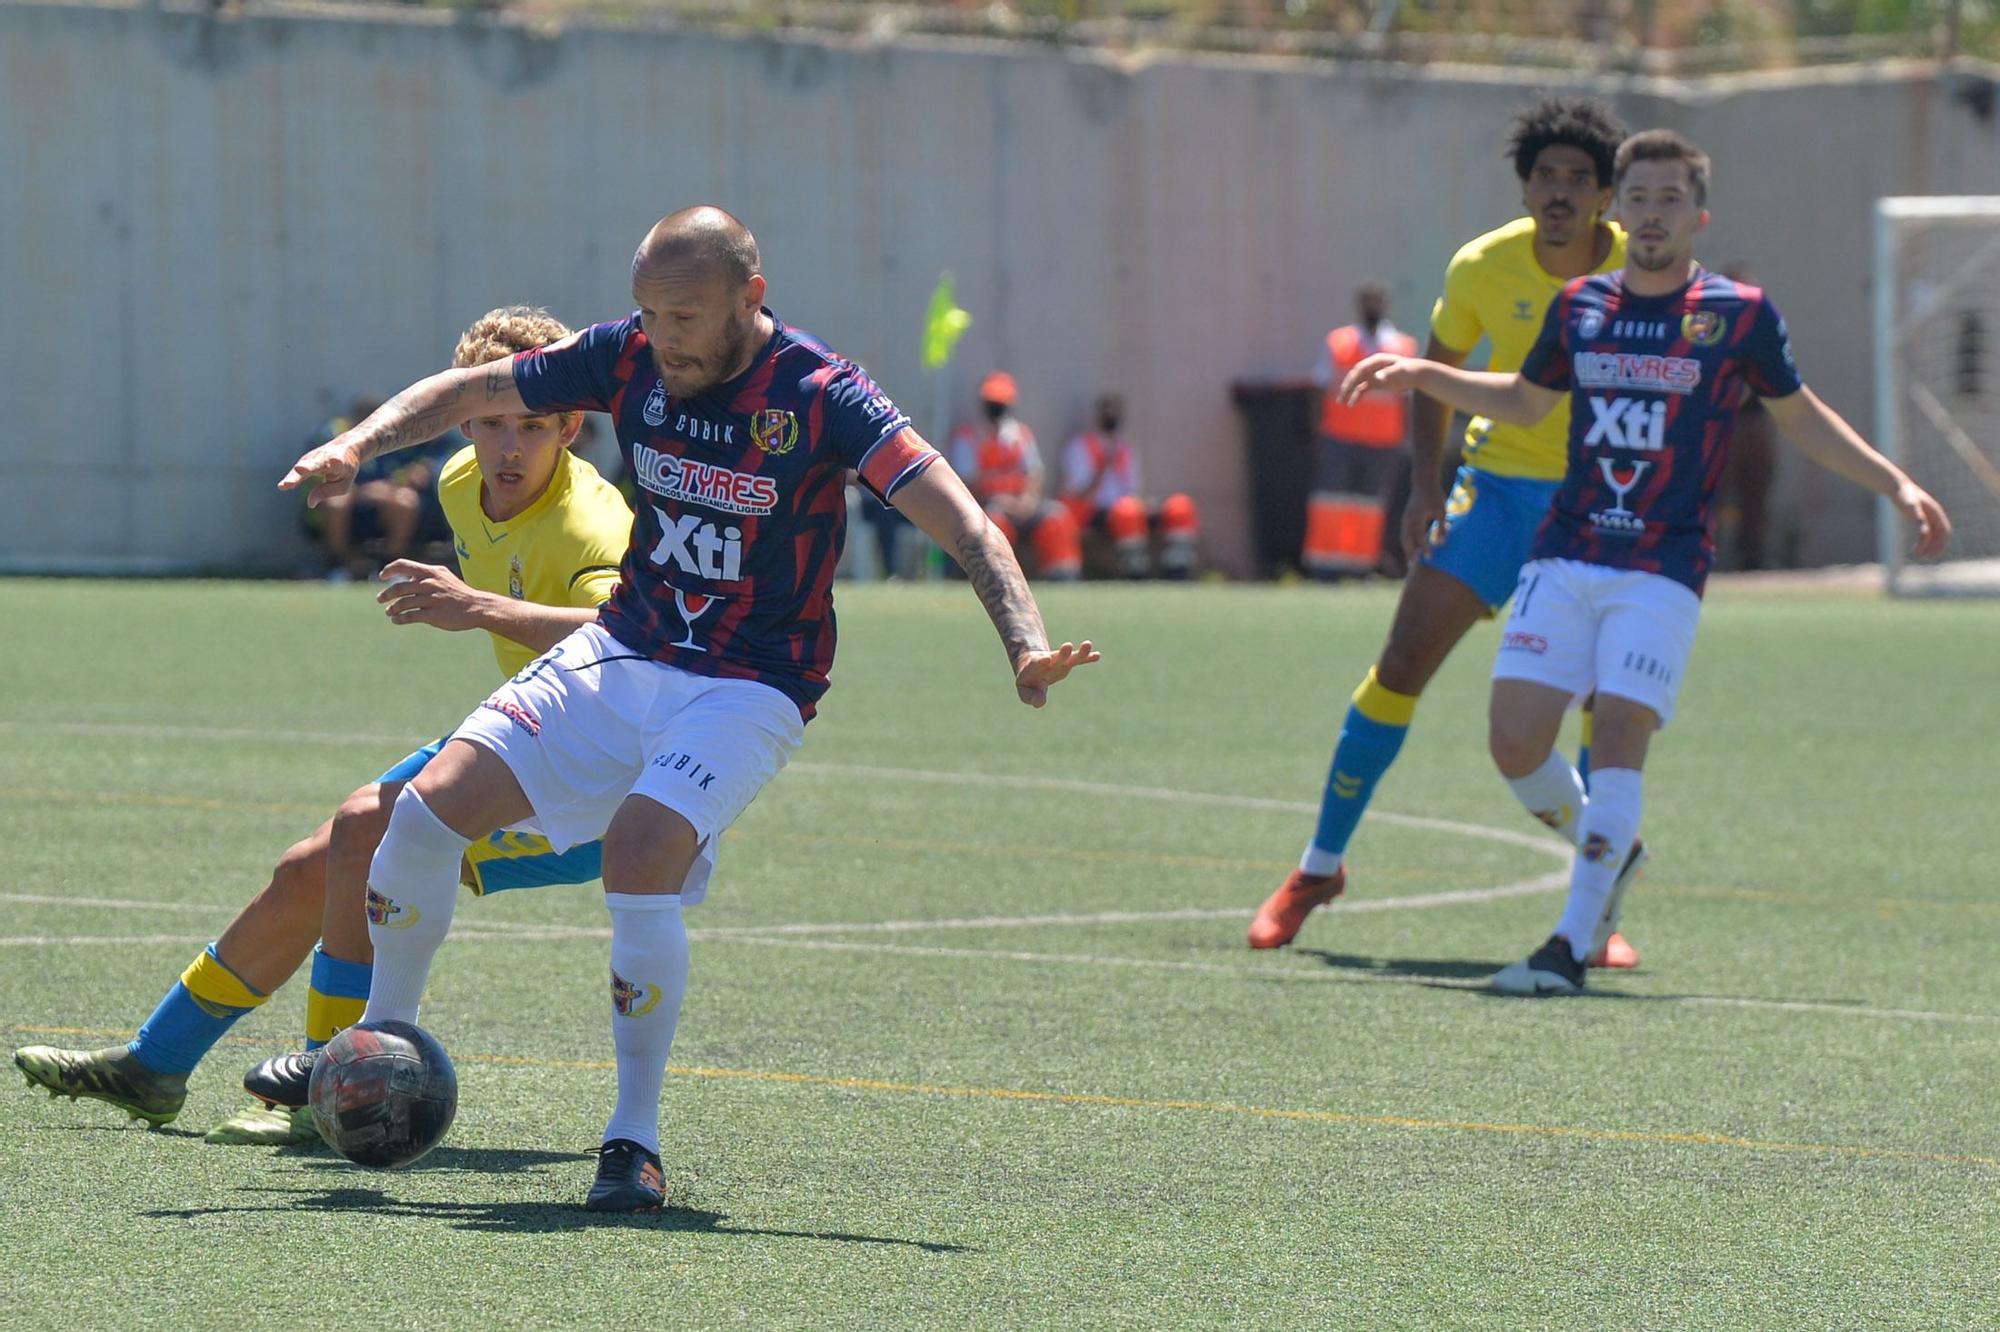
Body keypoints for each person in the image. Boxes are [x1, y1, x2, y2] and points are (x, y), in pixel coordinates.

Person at [271, 207, 1096, 1210]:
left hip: (752, 682)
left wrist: (1022, 643)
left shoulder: (822, 395)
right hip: (626, 647)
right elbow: (467, 390)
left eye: (687, 316)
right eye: (650, 313)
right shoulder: (626, 358)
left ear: (750, 298)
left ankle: (633, 1139)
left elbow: (963, 520)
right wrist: (356, 445)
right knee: (423, 809)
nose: (664, 337)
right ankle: (382, 1054)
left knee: (642, 849)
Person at [1336, 129, 1951, 994]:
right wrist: (1421, 376)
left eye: (1670, 199)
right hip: (1567, 547)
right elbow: (1524, 398)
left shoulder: (1738, 314)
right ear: (1616, 210)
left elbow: (1801, 415)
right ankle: (1611, 856)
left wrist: (1896, 484)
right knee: (1513, 741)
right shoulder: (1582, 306)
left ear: (1696, 215)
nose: (1653, 213)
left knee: (1619, 737)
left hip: (1660, 565)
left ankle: (1569, 945)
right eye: (1639, 197)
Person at [14, 307, 635, 1141]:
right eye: (490, 422)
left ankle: (329, 1091)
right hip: (530, 736)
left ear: (571, 425)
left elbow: (628, 642)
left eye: (532, 426)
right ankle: (154, 1065)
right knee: (313, 865)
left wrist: (476, 605)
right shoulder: (460, 482)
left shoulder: (594, 523)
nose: (509, 446)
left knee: (359, 834)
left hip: (601, 786)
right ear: (464, 418)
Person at [1250, 95, 1643, 964]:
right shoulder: (1481, 267)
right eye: (1547, 176)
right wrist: (1425, 485)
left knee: (1598, 704)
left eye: (1581, 180)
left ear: (1608, 197)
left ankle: (1594, 899)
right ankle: (1319, 866)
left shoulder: (1638, 276)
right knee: (1399, 667)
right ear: (1525, 185)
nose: (1561, 193)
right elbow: (1436, 375)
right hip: (1497, 496)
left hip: (1594, 511)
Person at [1302, 284, 1418, 578]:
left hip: (1383, 439)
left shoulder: (1402, 346)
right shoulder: (1339, 342)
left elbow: (1407, 398)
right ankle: (1325, 566)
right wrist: (1318, 429)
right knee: (1330, 500)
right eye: (1368, 301)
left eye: (1377, 301)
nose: (1373, 306)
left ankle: (1361, 566)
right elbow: (1320, 386)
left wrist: (1407, 436)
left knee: (1369, 504)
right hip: (1340, 436)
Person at [299, 395, 455, 582]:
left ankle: (389, 565)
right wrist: (362, 490)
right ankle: (339, 564)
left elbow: (400, 472)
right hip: (342, 499)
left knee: (405, 500)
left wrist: (389, 486)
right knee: (337, 502)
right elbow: (324, 478)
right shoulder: (332, 435)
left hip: (380, 499)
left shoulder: (389, 437)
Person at [950, 371, 1082, 581]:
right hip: (990, 505)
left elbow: (1034, 472)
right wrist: (999, 500)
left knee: (1057, 517)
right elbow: (967, 482)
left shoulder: (1020, 434)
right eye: (992, 402)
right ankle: (998, 579)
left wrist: (1028, 500)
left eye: (1001, 402)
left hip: (1021, 506)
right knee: (995, 523)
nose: (996, 407)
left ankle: (1062, 577)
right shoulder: (969, 437)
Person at [1059, 393, 1200, 579]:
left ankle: (1178, 571)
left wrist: (1145, 504)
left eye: (1116, 412)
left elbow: (1131, 490)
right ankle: (1136, 574)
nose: (1111, 416)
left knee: (1180, 506)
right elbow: (1078, 493)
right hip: (1095, 510)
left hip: (1126, 505)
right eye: (1107, 411)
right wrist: (1103, 465)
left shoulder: (1124, 448)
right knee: (1127, 512)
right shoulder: (1079, 446)